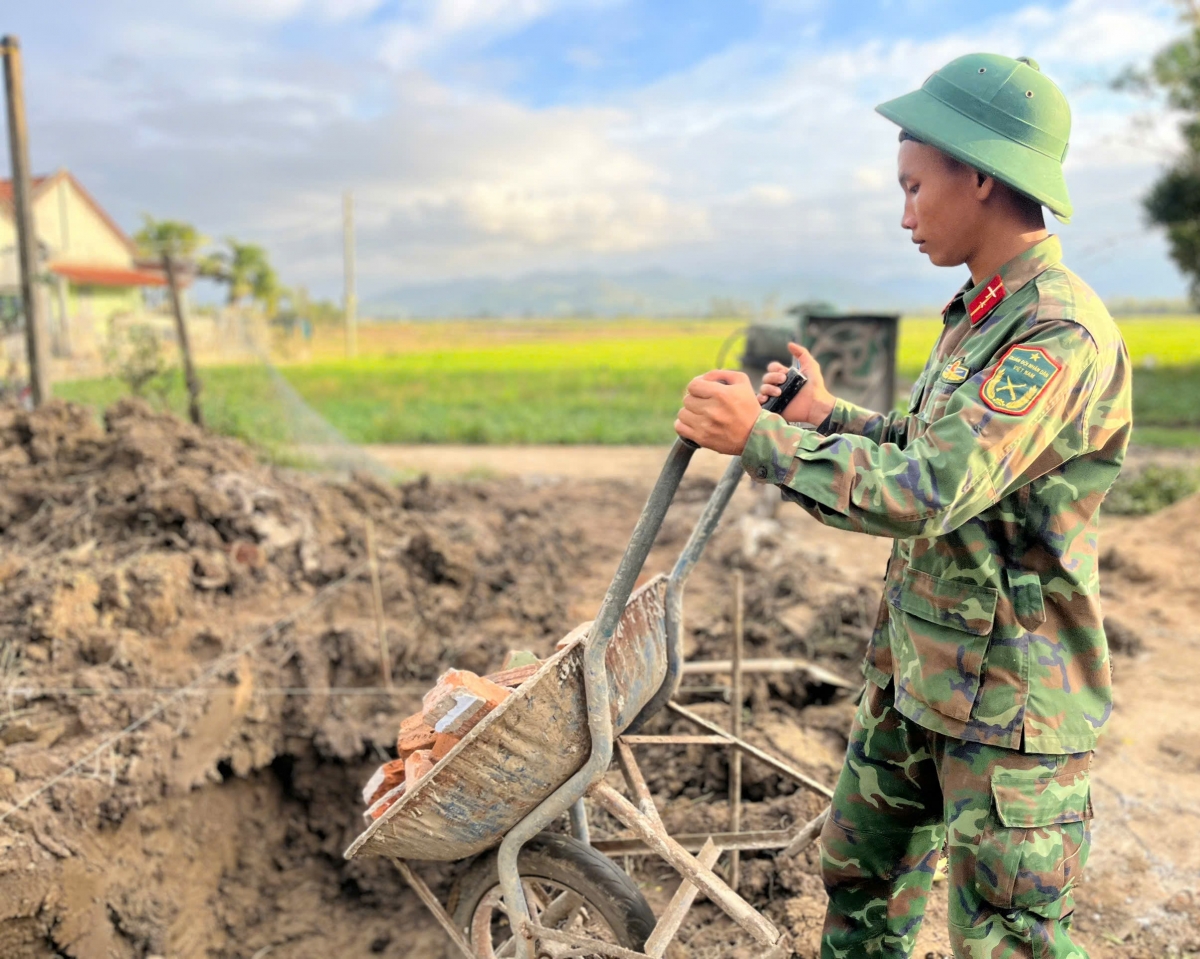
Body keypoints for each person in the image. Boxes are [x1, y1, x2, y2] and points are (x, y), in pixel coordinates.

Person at [674, 53, 1132, 957]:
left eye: (916, 186)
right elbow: (935, 452)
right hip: (922, 676)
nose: (905, 212)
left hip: (1008, 708)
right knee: (861, 887)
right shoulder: (982, 311)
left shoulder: (1055, 332)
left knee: (1008, 938)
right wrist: (823, 416)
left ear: (981, 175)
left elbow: (928, 492)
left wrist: (764, 442)